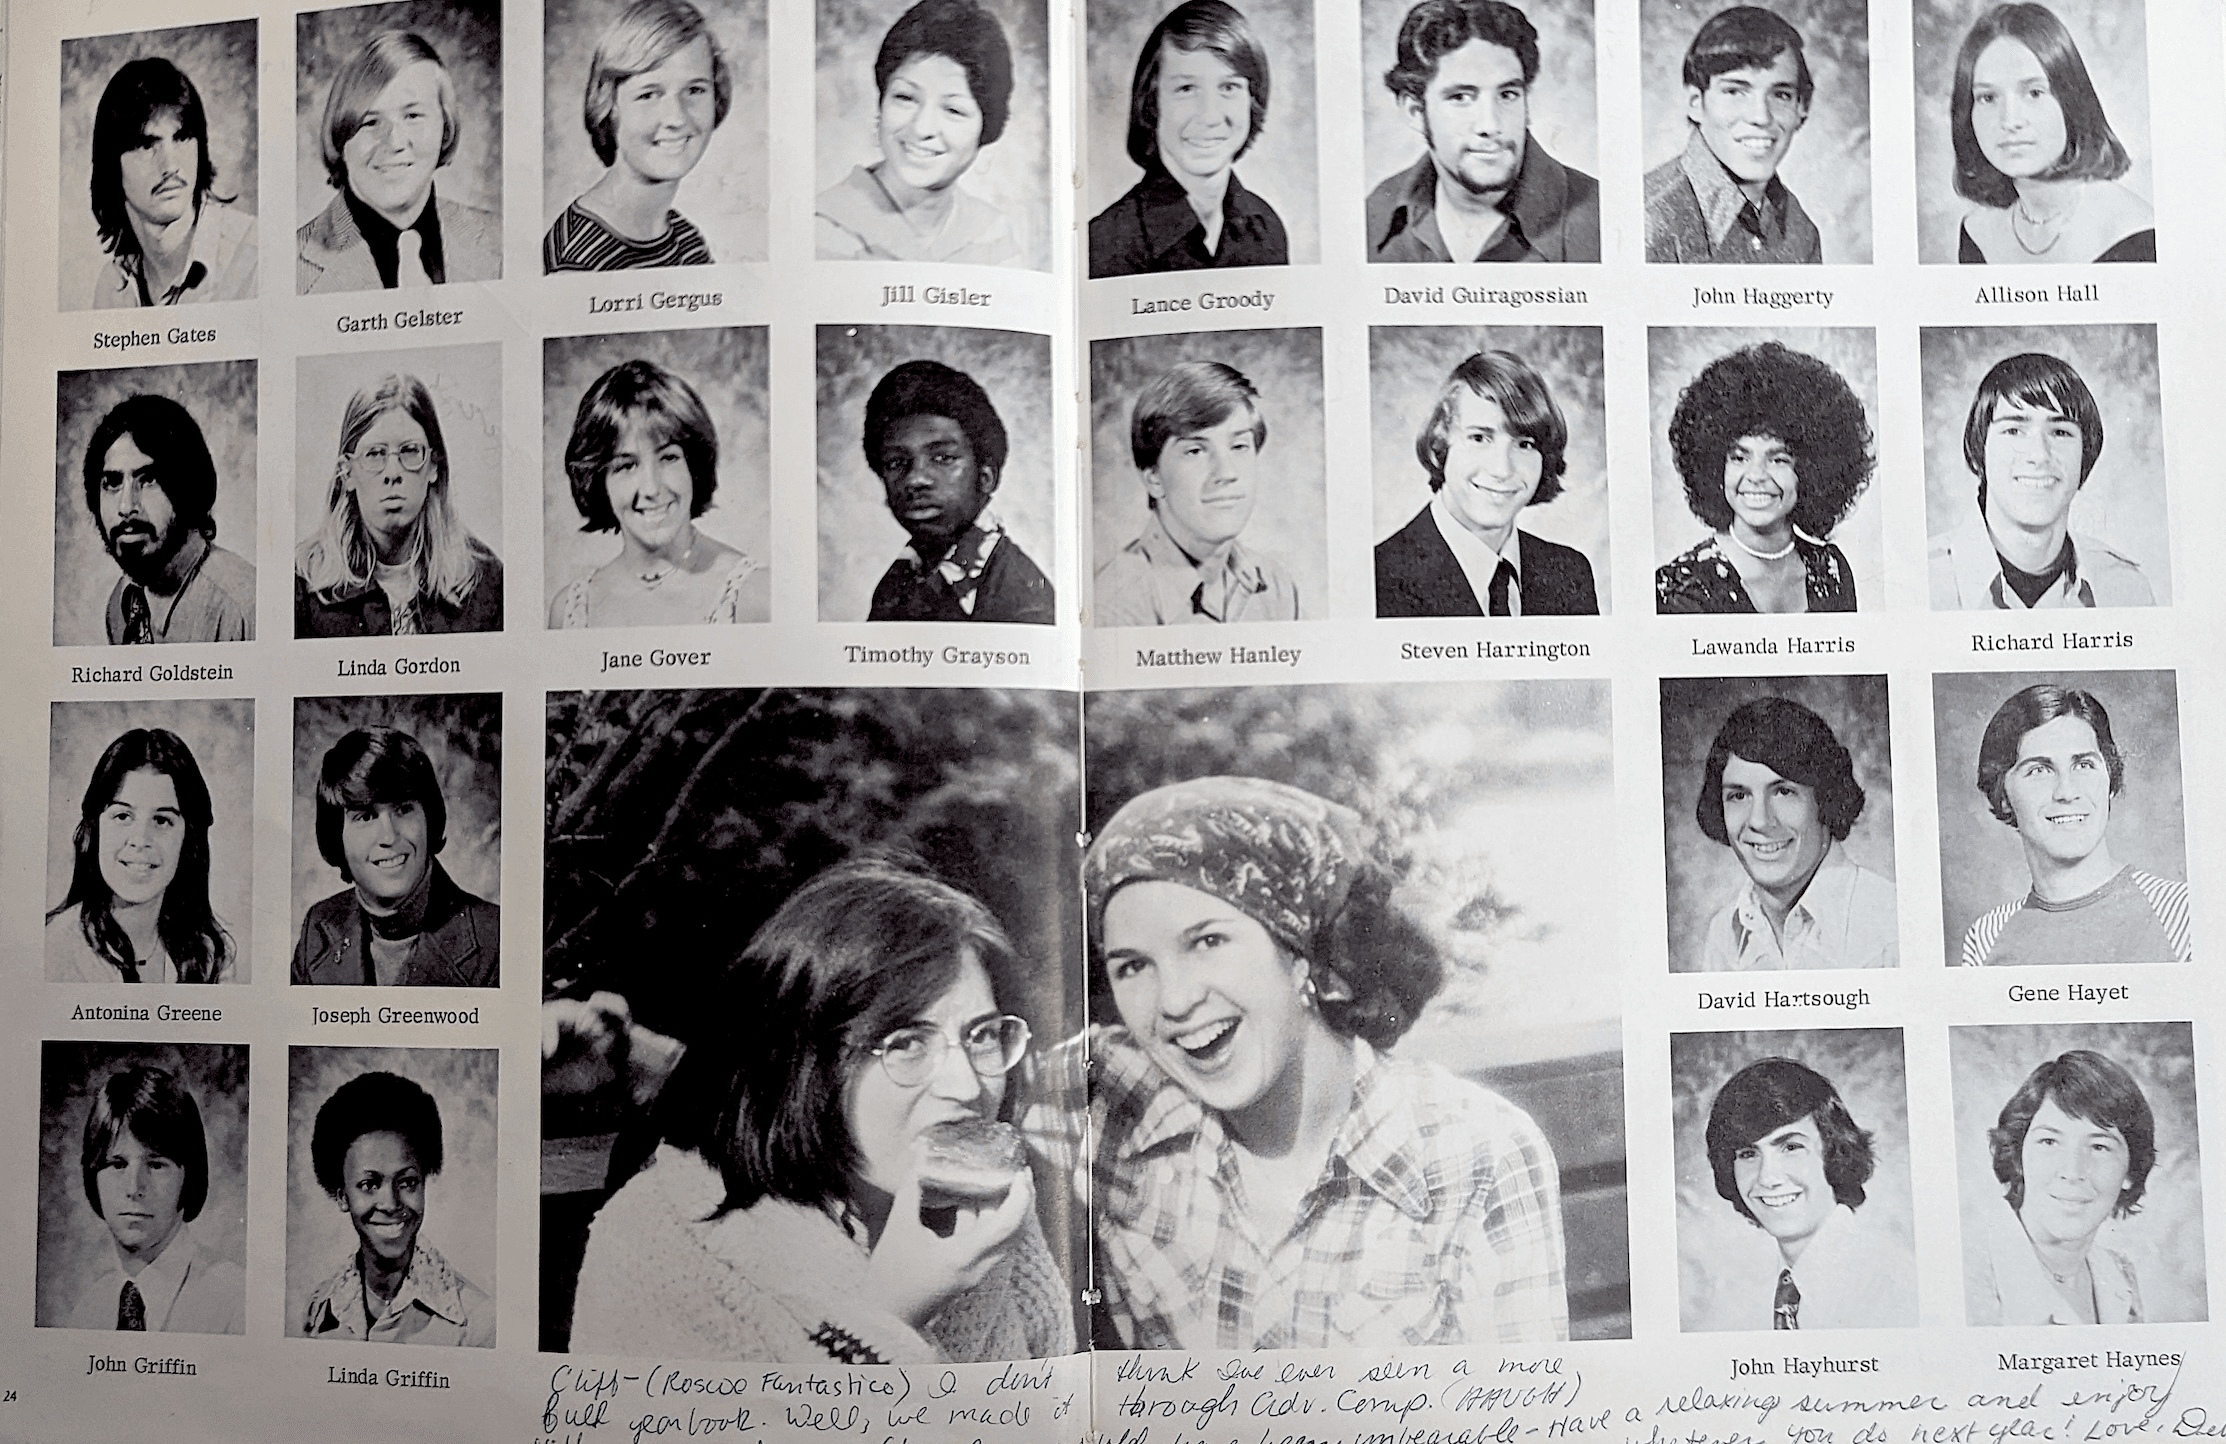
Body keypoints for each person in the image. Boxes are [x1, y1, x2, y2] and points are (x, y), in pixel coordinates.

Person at [1029, 776, 1565, 1349]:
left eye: (1208, 941)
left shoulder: (1474, 1153)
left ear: (1303, 956)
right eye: (1132, 966)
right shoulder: (1114, 1102)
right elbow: (954, 1080)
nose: (1175, 1001)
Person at [569, 859, 1074, 1362]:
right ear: (808, 1062)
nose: (967, 1086)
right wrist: (887, 1317)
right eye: (906, 1043)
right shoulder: (654, 1244)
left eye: (982, 1035)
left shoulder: (991, 1209)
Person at [1959, 685, 2190, 967]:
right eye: (2039, 770)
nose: (2066, 792)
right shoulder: (1986, 937)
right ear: (2004, 797)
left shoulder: (2184, 913)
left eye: (2083, 765)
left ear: (2110, 783)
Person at [1366, 0, 1599, 263]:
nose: (1490, 124)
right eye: (1461, 97)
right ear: (1415, 112)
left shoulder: (1601, 219)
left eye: (1508, 94)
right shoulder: (1378, 213)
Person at [1374, 349, 1597, 616]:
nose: (1502, 470)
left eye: (1524, 444)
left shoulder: (1570, 572)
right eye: (1479, 438)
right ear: (1439, 443)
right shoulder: (1378, 578)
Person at [1655, 341, 1871, 614]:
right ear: (1714, 467)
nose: (1756, 476)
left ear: (1809, 471)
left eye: (1778, 459)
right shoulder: (1677, 591)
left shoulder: (1832, 571)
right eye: (1739, 458)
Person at [550, 358, 767, 628]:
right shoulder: (568, 611)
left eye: (668, 458)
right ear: (598, 481)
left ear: (694, 466)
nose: (652, 488)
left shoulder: (755, 596)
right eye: (626, 465)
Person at [1701, 1058, 1913, 1330]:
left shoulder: (1890, 1289)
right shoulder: (1746, 1294)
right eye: (1748, 1154)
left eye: (1790, 1147)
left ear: (1835, 1152)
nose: (1767, 1178)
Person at [1930, 352, 2152, 610]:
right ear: (1981, 448)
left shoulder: (2126, 589)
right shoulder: (1923, 583)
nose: (2039, 455)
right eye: (2013, 430)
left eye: (2060, 432)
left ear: (2085, 455)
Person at [1687, 698, 1896, 971]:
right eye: (1738, 795)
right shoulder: (1723, 934)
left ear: (1825, 798)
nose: (1760, 821)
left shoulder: (1892, 924)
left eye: (1783, 791)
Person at [295, 372, 504, 637]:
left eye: (409, 451)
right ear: (347, 473)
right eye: (374, 454)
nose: (392, 472)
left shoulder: (485, 579)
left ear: (433, 466)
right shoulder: (304, 585)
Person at [291, 726, 501, 989]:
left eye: (403, 809)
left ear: (429, 818)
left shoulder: (496, 937)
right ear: (337, 837)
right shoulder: (319, 927)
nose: (389, 837)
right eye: (366, 816)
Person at [1088, 0, 1288, 277]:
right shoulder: (1107, 242)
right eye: (1186, 88)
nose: (1209, 116)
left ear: (1252, 99)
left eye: (1229, 87)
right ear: (1151, 103)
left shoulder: (1265, 228)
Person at [1095, 360, 1301, 625]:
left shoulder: (1276, 586)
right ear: (1154, 478)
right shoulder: (1113, 607)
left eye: (1238, 446)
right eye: (1195, 451)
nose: (1226, 473)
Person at [816, 0, 1019, 265]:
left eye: (954, 110)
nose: (922, 128)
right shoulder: (822, 229)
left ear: (986, 130)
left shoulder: (992, 233)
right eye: (905, 97)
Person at [298, 30, 500, 293]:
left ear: (445, 126)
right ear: (340, 135)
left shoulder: (502, 239)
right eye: (370, 122)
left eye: (413, 115)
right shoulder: (289, 266)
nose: (394, 143)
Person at [1951, 4, 2152, 265]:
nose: (2010, 121)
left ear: (2072, 101)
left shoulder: (2137, 234)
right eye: (1988, 97)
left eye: (2034, 93)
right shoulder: (1976, 232)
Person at [302, 1071, 493, 1345]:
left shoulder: (477, 1322)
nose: (391, 1204)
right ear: (342, 1196)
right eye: (369, 1184)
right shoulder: (316, 1313)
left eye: (407, 1182)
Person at [859, 359, 1054, 624]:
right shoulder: (898, 581)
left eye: (942, 458)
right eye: (896, 463)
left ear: (986, 478)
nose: (915, 479)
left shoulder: (1022, 599)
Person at [1967, 1050, 2152, 1324]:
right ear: (2018, 1155)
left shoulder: (2119, 1274)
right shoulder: (1968, 1274)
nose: (2073, 1172)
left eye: (2099, 1146)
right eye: (2049, 1142)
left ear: (2130, 1171)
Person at [546, 0, 731, 272]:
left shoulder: (686, 238)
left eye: (695, 90)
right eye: (648, 95)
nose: (677, 119)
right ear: (609, 107)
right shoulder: (582, 257)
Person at [59, 1066, 245, 1333]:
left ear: (188, 1177)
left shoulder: (235, 1301)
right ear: (93, 1176)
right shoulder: (90, 1309)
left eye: (156, 1165)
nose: (134, 1188)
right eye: (117, 1164)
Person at [47, 728, 236, 985]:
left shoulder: (213, 952)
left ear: (188, 839)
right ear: (96, 828)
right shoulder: (56, 951)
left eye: (161, 820)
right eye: (123, 816)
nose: (141, 840)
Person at [1643, 7, 1821, 264]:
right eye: (1735, 92)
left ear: (1801, 110)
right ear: (1696, 102)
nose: (1761, 117)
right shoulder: (1647, 218)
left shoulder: (1800, 228)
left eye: (1781, 95)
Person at [79, 394, 256, 644]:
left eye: (149, 479)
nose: (127, 506)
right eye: (112, 483)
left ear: (187, 488)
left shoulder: (244, 609)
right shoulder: (120, 605)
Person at [88, 57, 258, 307]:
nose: (170, 166)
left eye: (182, 138)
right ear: (112, 166)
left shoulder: (254, 258)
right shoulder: (112, 287)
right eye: (146, 145)